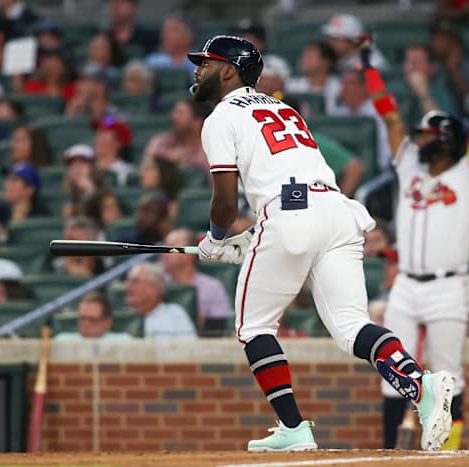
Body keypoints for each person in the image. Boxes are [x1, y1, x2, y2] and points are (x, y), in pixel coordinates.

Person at [187, 35, 454, 452]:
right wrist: (256, 233)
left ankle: (294, 428)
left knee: (254, 326)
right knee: (352, 328)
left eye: (206, 62)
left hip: (290, 213)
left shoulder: (220, 117)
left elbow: (224, 202)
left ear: (228, 70)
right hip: (337, 211)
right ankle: (421, 385)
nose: (198, 70)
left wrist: (216, 239)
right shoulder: (282, 106)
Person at [360, 37, 469, 449]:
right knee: (392, 374)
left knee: (449, 375)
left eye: (427, 135)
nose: (419, 141)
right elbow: (389, 118)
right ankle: (391, 452)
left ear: (447, 140)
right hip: (406, 284)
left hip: (448, 287)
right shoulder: (410, 166)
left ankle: (447, 453)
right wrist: (369, 69)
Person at [161, 228, 233, 335]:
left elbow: (220, 328)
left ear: (188, 254)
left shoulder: (212, 288)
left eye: (170, 247)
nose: (163, 253)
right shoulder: (158, 285)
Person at [331, 69, 392, 172]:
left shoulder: (379, 112)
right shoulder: (338, 113)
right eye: (343, 83)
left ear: (364, 88)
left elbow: (386, 152)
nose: (344, 88)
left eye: (350, 83)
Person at [429, 19, 469, 116]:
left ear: (454, 41)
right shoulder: (433, 65)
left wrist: (454, 70)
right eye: (434, 37)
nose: (434, 42)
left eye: (440, 37)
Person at [124, 262, 197, 339]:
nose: (127, 286)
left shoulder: (174, 314)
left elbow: (190, 347)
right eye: (127, 281)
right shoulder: (121, 316)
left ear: (155, 288)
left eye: (135, 281)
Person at [142, 99, 210, 173]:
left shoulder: (209, 150)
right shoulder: (159, 142)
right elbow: (145, 171)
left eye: (181, 113)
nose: (174, 117)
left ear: (198, 121)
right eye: (174, 112)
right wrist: (166, 162)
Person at [0, 163, 50, 244]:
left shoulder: (42, 217)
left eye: (14, 180)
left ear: (30, 189)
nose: (7, 184)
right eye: (7, 179)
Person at [286, 40, 342, 115]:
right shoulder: (292, 87)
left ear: (325, 62)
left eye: (310, 57)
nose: (304, 60)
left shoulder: (341, 87)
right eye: (304, 56)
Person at [321, 14, 387, 71]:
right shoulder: (332, 57)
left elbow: (375, 84)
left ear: (353, 41)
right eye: (330, 38)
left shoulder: (371, 61)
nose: (331, 43)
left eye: (336, 39)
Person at [54, 292, 132, 340]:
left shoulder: (124, 342)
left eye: (92, 319)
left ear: (107, 322)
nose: (86, 323)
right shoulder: (62, 341)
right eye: (82, 318)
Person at [62, 144, 106, 218]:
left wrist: (91, 192)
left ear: (93, 168)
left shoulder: (105, 195)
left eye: (82, 163)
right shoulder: (66, 197)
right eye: (72, 165)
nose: (77, 168)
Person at [92, 116, 134, 187]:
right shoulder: (87, 168)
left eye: (104, 134)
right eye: (99, 134)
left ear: (119, 143)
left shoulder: (126, 172)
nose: (98, 139)